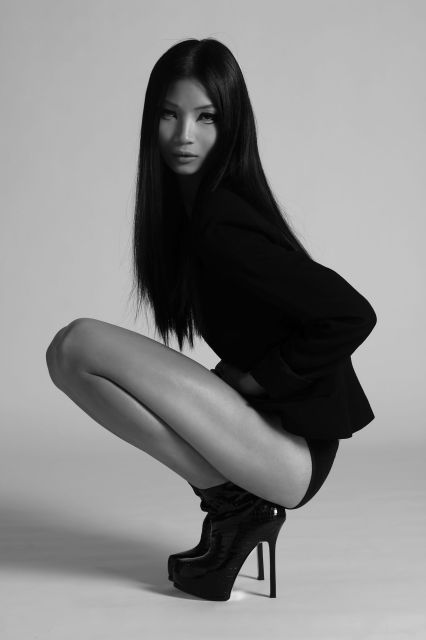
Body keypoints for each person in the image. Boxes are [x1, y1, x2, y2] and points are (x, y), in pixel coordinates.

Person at [45, 38, 377, 602]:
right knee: (70, 356)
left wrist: (258, 380)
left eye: (206, 118)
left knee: (78, 345)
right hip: (269, 439)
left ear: (231, 125)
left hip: (291, 454)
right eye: (169, 115)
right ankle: (233, 507)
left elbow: (351, 313)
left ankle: (238, 505)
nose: (184, 135)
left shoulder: (223, 221)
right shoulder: (191, 214)